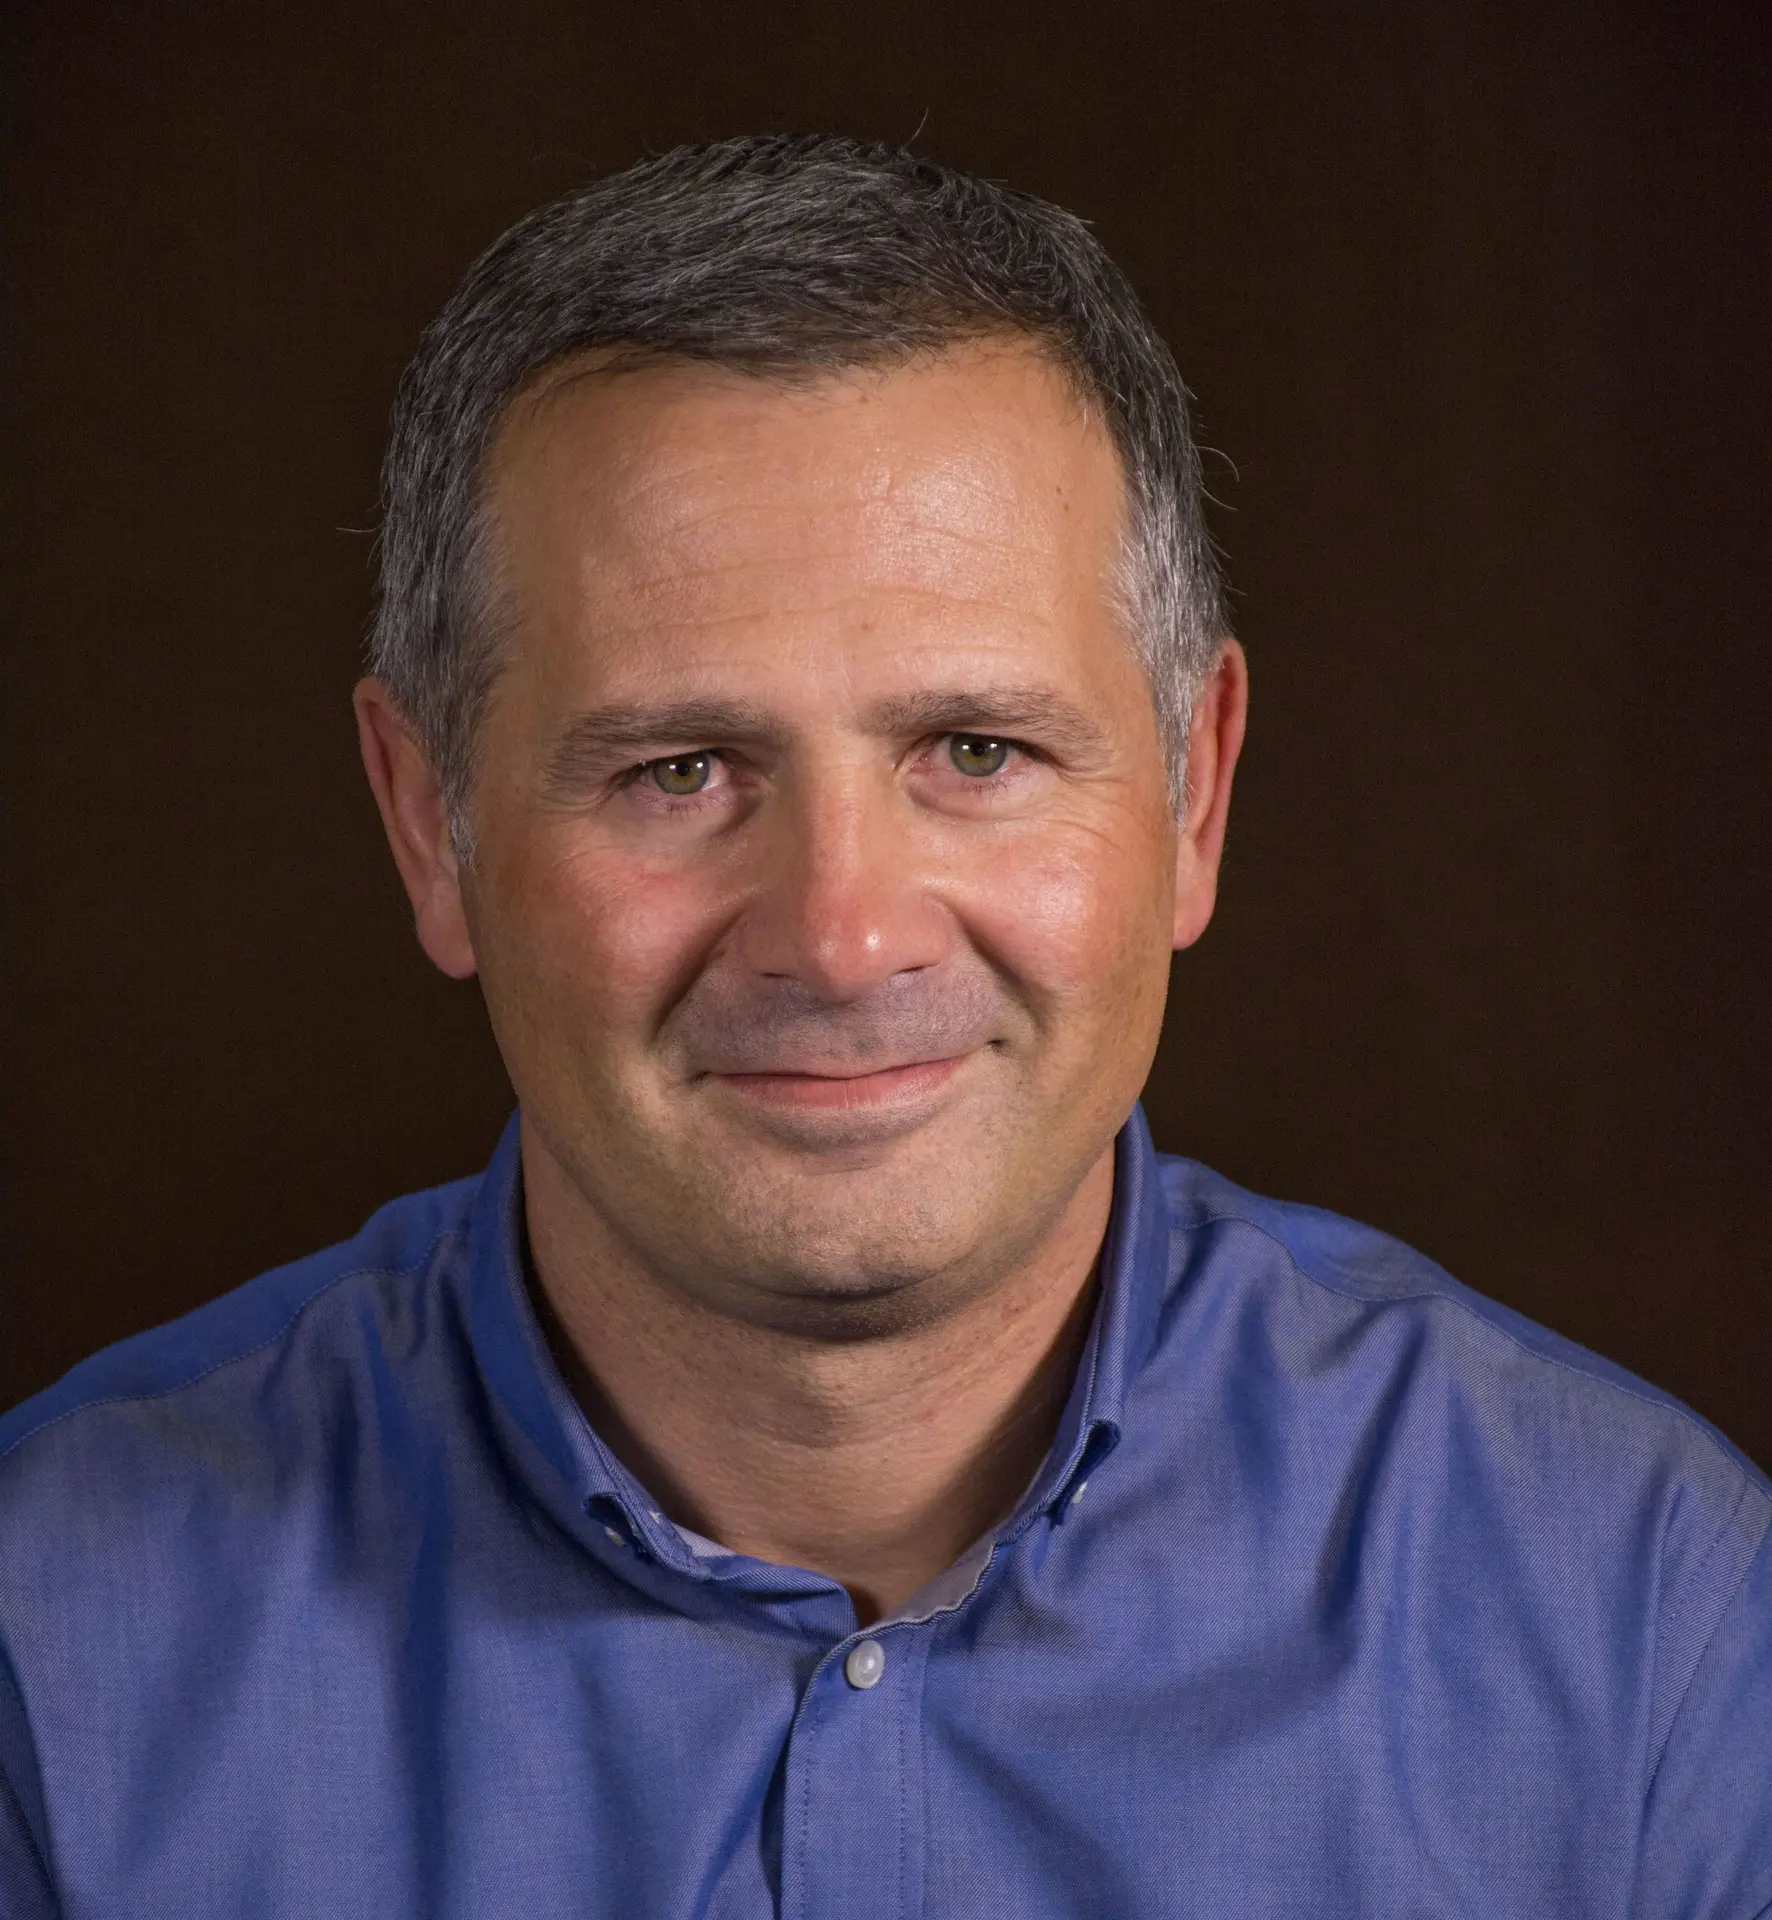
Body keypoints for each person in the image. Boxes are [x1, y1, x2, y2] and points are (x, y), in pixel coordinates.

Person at [1, 134, 1766, 1919]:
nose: (843, 937)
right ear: (426, 823)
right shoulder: (45, 1645)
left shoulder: (1644, 1624)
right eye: (677, 770)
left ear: (1195, 795)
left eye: (978, 754)